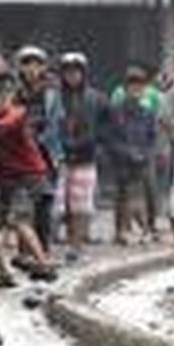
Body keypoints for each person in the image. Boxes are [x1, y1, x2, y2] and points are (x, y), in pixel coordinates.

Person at [0, 84, 58, 288]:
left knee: (19, 220)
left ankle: (44, 263)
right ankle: (4, 274)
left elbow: (12, 121)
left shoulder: (16, 115)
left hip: (29, 181)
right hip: (7, 186)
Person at [55, 53, 106, 262]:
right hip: (60, 157)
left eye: (76, 71)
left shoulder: (97, 98)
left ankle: (76, 247)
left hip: (86, 156)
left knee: (81, 205)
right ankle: (67, 243)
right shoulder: (54, 97)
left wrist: (98, 145)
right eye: (67, 71)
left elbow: (106, 126)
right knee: (60, 205)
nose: (72, 76)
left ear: (83, 73)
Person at [15, 46, 61, 253]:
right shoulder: (14, 92)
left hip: (45, 153)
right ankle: (25, 250)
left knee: (44, 202)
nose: (32, 69)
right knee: (22, 204)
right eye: (27, 64)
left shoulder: (52, 92)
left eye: (36, 64)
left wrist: (38, 138)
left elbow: (55, 122)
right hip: (19, 154)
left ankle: (44, 248)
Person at [109, 65, 159, 245]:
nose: (136, 89)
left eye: (140, 85)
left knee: (140, 196)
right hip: (121, 160)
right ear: (125, 87)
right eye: (132, 85)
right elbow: (111, 137)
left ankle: (144, 229)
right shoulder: (116, 111)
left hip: (142, 160)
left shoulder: (148, 113)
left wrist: (144, 154)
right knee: (121, 196)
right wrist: (127, 152)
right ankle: (121, 231)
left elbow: (153, 138)